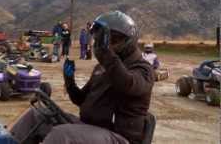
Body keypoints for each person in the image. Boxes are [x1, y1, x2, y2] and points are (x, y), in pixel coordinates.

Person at [10, 11, 155, 144]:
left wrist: (107, 55)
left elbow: (128, 84)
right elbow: (80, 100)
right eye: (105, 41)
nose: (107, 46)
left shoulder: (142, 69)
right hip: (90, 128)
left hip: (119, 136)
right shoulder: (102, 68)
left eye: (112, 41)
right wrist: (69, 80)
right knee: (35, 116)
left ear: (128, 40)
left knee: (62, 136)